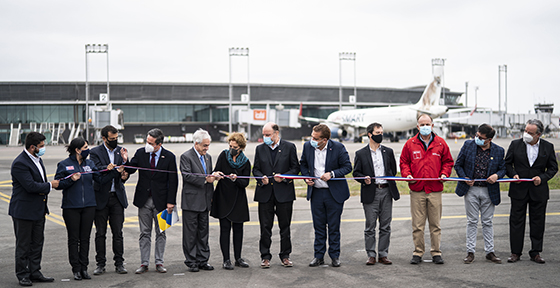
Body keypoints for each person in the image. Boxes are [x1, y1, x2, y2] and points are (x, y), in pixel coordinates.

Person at [55, 137, 115, 280]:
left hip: (89, 206)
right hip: (71, 207)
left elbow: (99, 179)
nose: (88, 149)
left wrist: (112, 172)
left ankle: (84, 267)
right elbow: (58, 183)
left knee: (85, 238)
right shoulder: (64, 165)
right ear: (77, 150)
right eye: (85, 147)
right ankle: (75, 268)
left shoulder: (90, 164)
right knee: (74, 239)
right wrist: (70, 180)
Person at [400, 114, 454, 265]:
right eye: (422, 124)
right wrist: (407, 174)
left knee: (435, 224)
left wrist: (444, 173)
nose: (425, 127)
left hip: (435, 189)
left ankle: (436, 252)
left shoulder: (441, 143)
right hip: (417, 190)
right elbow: (404, 162)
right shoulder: (410, 144)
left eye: (427, 124)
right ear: (417, 127)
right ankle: (418, 252)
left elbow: (448, 162)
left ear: (432, 125)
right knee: (418, 225)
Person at [505, 119, 558, 264]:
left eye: (530, 132)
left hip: (538, 191)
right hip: (518, 189)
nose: (526, 134)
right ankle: (515, 252)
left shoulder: (548, 147)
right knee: (516, 221)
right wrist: (513, 174)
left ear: (538, 134)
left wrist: (542, 178)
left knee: (538, 222)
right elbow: (507, 163)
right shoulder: (515, 144)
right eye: (525, 131)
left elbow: (553, 168)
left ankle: (536, 252)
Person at [9, 132, 59, 286]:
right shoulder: (20, 163)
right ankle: (23, 274)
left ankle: (35, 272)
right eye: (41, 146)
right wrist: (51, 185)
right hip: (24, 211)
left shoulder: (37, 159)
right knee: (23, 245)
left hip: (38, 210)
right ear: (32, 147)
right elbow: (30, 186)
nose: (44, 149)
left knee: (37, 243)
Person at [126, 128, 178, 274]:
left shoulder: (169, 157)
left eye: (150, 143)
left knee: (161, 233)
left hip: (162, 201)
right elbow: (131, 169)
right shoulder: (141, 153)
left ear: (158, 144)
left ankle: (159, 262)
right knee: (144, 233)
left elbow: (173, 181)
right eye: (146, 141)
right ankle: (144, 263)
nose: (147, 145)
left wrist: (171, 202)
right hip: (144, 200)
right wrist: (125, 160)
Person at [300, 124, 352, 268]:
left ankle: (335, 256)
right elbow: (303, 164)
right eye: (312, 136)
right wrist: (306, 177)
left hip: (333, 194)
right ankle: (318, 256)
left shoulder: (338, 148)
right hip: (316, 192)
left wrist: (332, 174)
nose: (312, 140)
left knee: (334, 227)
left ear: (325, 139)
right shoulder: (307, 147)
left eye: (315, 138)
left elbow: (347, 167)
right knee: (319, 226)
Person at [454, 124, 506, 264]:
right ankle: (470, 252)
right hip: (471, 190)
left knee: (487, 222)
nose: (477, 138)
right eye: (477, 135)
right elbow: (458, 165)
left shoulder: (499, 151)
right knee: (472, 221)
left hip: (489, 190)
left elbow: (503, 169)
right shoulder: (468, 145)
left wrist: (497, 175)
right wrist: (464, 177)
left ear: (488, 139)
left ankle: (490, 252)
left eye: (481, 137)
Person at [253, 122, 300, 268]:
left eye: (268, 135)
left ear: (276, 133)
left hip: (284, 194)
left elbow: (295, 168)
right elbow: (255, 169)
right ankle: (265, 256)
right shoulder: (260, 149)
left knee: (284, 227)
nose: (265, 138)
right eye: (264, 135)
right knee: (265, 227)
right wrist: (261, 178)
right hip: (265, 194)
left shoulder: (289, 147)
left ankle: (285, 256)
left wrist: (285, 177)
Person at [352, 123, 400, 266]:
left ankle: (383, 254)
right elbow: (356, 173)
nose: (381, 134)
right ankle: (371, 254)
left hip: (386, 191)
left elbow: (393, 170)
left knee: (385, 225)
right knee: (370, 226)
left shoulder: (388, 151)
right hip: (370, 191)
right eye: (378, 132)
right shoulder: (361, 153)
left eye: (382, 132)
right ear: (370, 134)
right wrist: (363, 179)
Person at [90, 125, 129, 275]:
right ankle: (100, 264)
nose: (115, 141)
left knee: (118, 233)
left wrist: (125, 174)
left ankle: (119, 263)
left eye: (116, 138)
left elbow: (125, 171)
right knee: (100, 233)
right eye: (112, 139)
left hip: (117, 198)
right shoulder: (95, 153)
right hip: (101, 198)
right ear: (104, 138)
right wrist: (111, 170)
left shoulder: (121, 150)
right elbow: (99, 175)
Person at [211, 132, 251, 270]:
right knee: (225, 229)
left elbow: (245, 182)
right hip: (223, 196)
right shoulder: (223, 155)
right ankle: (226, 259)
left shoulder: (245, 162)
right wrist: (217, 175)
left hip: (238, 198)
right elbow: (216, 171)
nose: (231, 148)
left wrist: (236, 178)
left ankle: (238, 258)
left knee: (239, 229)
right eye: (230, 145)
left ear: (241, 147)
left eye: (234, 146)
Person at [180, 129, 219, 272]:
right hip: (191, 202)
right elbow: (187, 176)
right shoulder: (186, 157)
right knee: (190, 234)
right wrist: (205, 179)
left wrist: (214, 176)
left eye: (208, 145)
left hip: (204, 201)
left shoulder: (208, 157)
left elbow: (208, 176)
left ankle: (203, 260)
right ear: (196, 144)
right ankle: (191, 261)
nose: (206, 148)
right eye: (204, 145)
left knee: (203, 232)